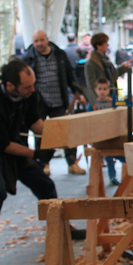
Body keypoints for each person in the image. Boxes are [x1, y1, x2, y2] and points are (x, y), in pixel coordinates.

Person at [0, 60, 83, 265]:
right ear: (11, 86)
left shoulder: (29, 94)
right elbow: (3, 145)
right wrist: (36, 153)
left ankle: (62, 227)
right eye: (27, 86)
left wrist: (60, 135)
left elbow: (35, 123)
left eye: (33, 85)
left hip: (12, 144)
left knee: (45, 184)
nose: (32, 89)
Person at [22, 29, 86, 176]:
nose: (39, 44)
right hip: (39, 102)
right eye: (35, 41)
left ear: (47, 39)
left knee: (65, 133)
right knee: (41, 134)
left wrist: (78, 92)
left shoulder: (60, 54)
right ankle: (44, 163)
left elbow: (70, 75)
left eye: (41, 40)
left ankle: (72, 163)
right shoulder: (28, 58)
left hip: (58, 100)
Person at [92, 77, 126, 185]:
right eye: (100, 89)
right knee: (97, 158)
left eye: (104, 89)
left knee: (111, 157)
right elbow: (89, 121)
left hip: (111, 135)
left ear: (108, 90)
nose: (102, 91)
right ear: (95, 90)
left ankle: (113, 177)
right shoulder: (93, 105)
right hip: (98, 137)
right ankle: (96, 181)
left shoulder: (113, 102)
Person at [85, 33, 132, 97]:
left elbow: (114, 74)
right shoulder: (91, 64)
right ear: (98, 46)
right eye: (106, 43)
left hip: (112, 95)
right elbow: (92, 85)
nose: (108, 45)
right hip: (102, 100)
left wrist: (123, 67)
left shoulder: (106, 60)